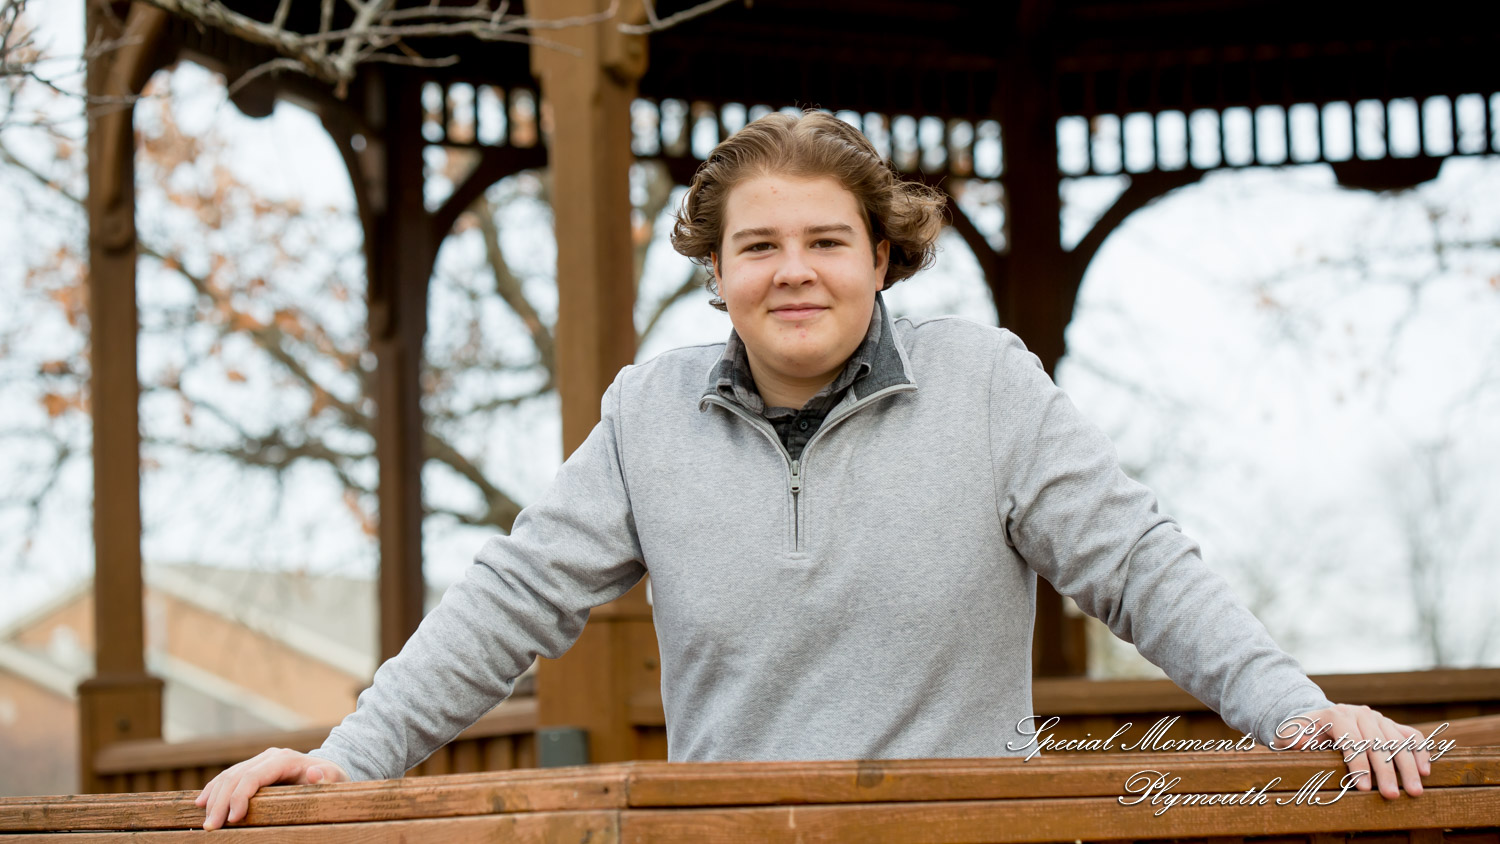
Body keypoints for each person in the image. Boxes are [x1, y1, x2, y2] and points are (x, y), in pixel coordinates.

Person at [197, 111, 1432, 830]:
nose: (794, 270)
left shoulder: (986, 384)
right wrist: (352, 755)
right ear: (716, 270)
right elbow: (508, 601)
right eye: (759, 245)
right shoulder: (646, 415)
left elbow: (1141, 566)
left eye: (828, 241)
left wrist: (1293, 708)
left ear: (882, 258)